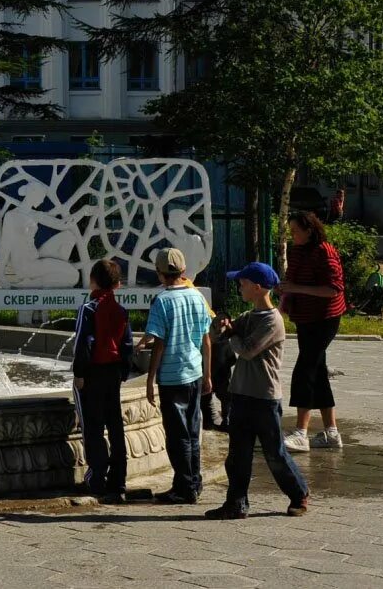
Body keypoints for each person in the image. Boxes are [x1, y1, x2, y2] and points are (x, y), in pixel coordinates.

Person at [205, 262, 310, 520]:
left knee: (275, 454)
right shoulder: (249, 316)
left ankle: (299, 494)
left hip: (264, 397)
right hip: (241, 393)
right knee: (237, 455)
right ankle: (236, 503)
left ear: (258, 287)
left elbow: (247, 350)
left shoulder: (272, 321)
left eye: (242, 283)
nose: (239, 287)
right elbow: (221, 335)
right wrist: (221, 325)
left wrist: (231, 335)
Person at [144, 246, 213, 505]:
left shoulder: (161, 301)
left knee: (177, 435)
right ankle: (195, 481)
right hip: (194, 372)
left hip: (172, 378)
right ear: (183, 271)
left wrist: (150, 379)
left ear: (159, 274)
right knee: (193, 430)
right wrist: (207, 374)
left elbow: (159, 344)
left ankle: (184, 487)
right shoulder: (196, 297)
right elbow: (207, 340)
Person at [281, 210, 347, 452]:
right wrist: (286, 293)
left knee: (304, 371)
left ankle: (301, 432)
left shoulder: (325, 252)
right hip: (304, 318)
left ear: (309, 231)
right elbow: (293, 279)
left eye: (296, 231)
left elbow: (333, 289)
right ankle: (331, 432)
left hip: (325, 318)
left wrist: (297, 288)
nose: (293, 235)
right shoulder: (297, 251)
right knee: (318, 371)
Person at [72, 258, 134, 504]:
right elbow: (127, 345)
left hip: (93, 373)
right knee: (115, 426)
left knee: (93, 426)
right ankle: (118, 481)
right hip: (113, 374)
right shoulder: (120, 310)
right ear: (118, 285)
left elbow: (82, 344)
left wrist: (79, 374)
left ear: (93, 280)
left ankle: (97, 478)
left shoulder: (88, 309)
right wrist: (123, 373)